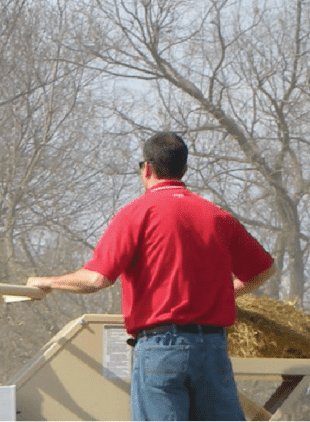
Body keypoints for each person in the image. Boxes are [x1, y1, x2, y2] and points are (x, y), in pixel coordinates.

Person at [26, 131, 276, 422]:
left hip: (161, 347)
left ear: (147, 168)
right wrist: (219, 293)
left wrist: (46, 282)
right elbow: (263, 271)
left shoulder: (136, 214)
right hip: (212, 348)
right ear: (184, 168)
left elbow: (96, 279)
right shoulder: (218, 217)